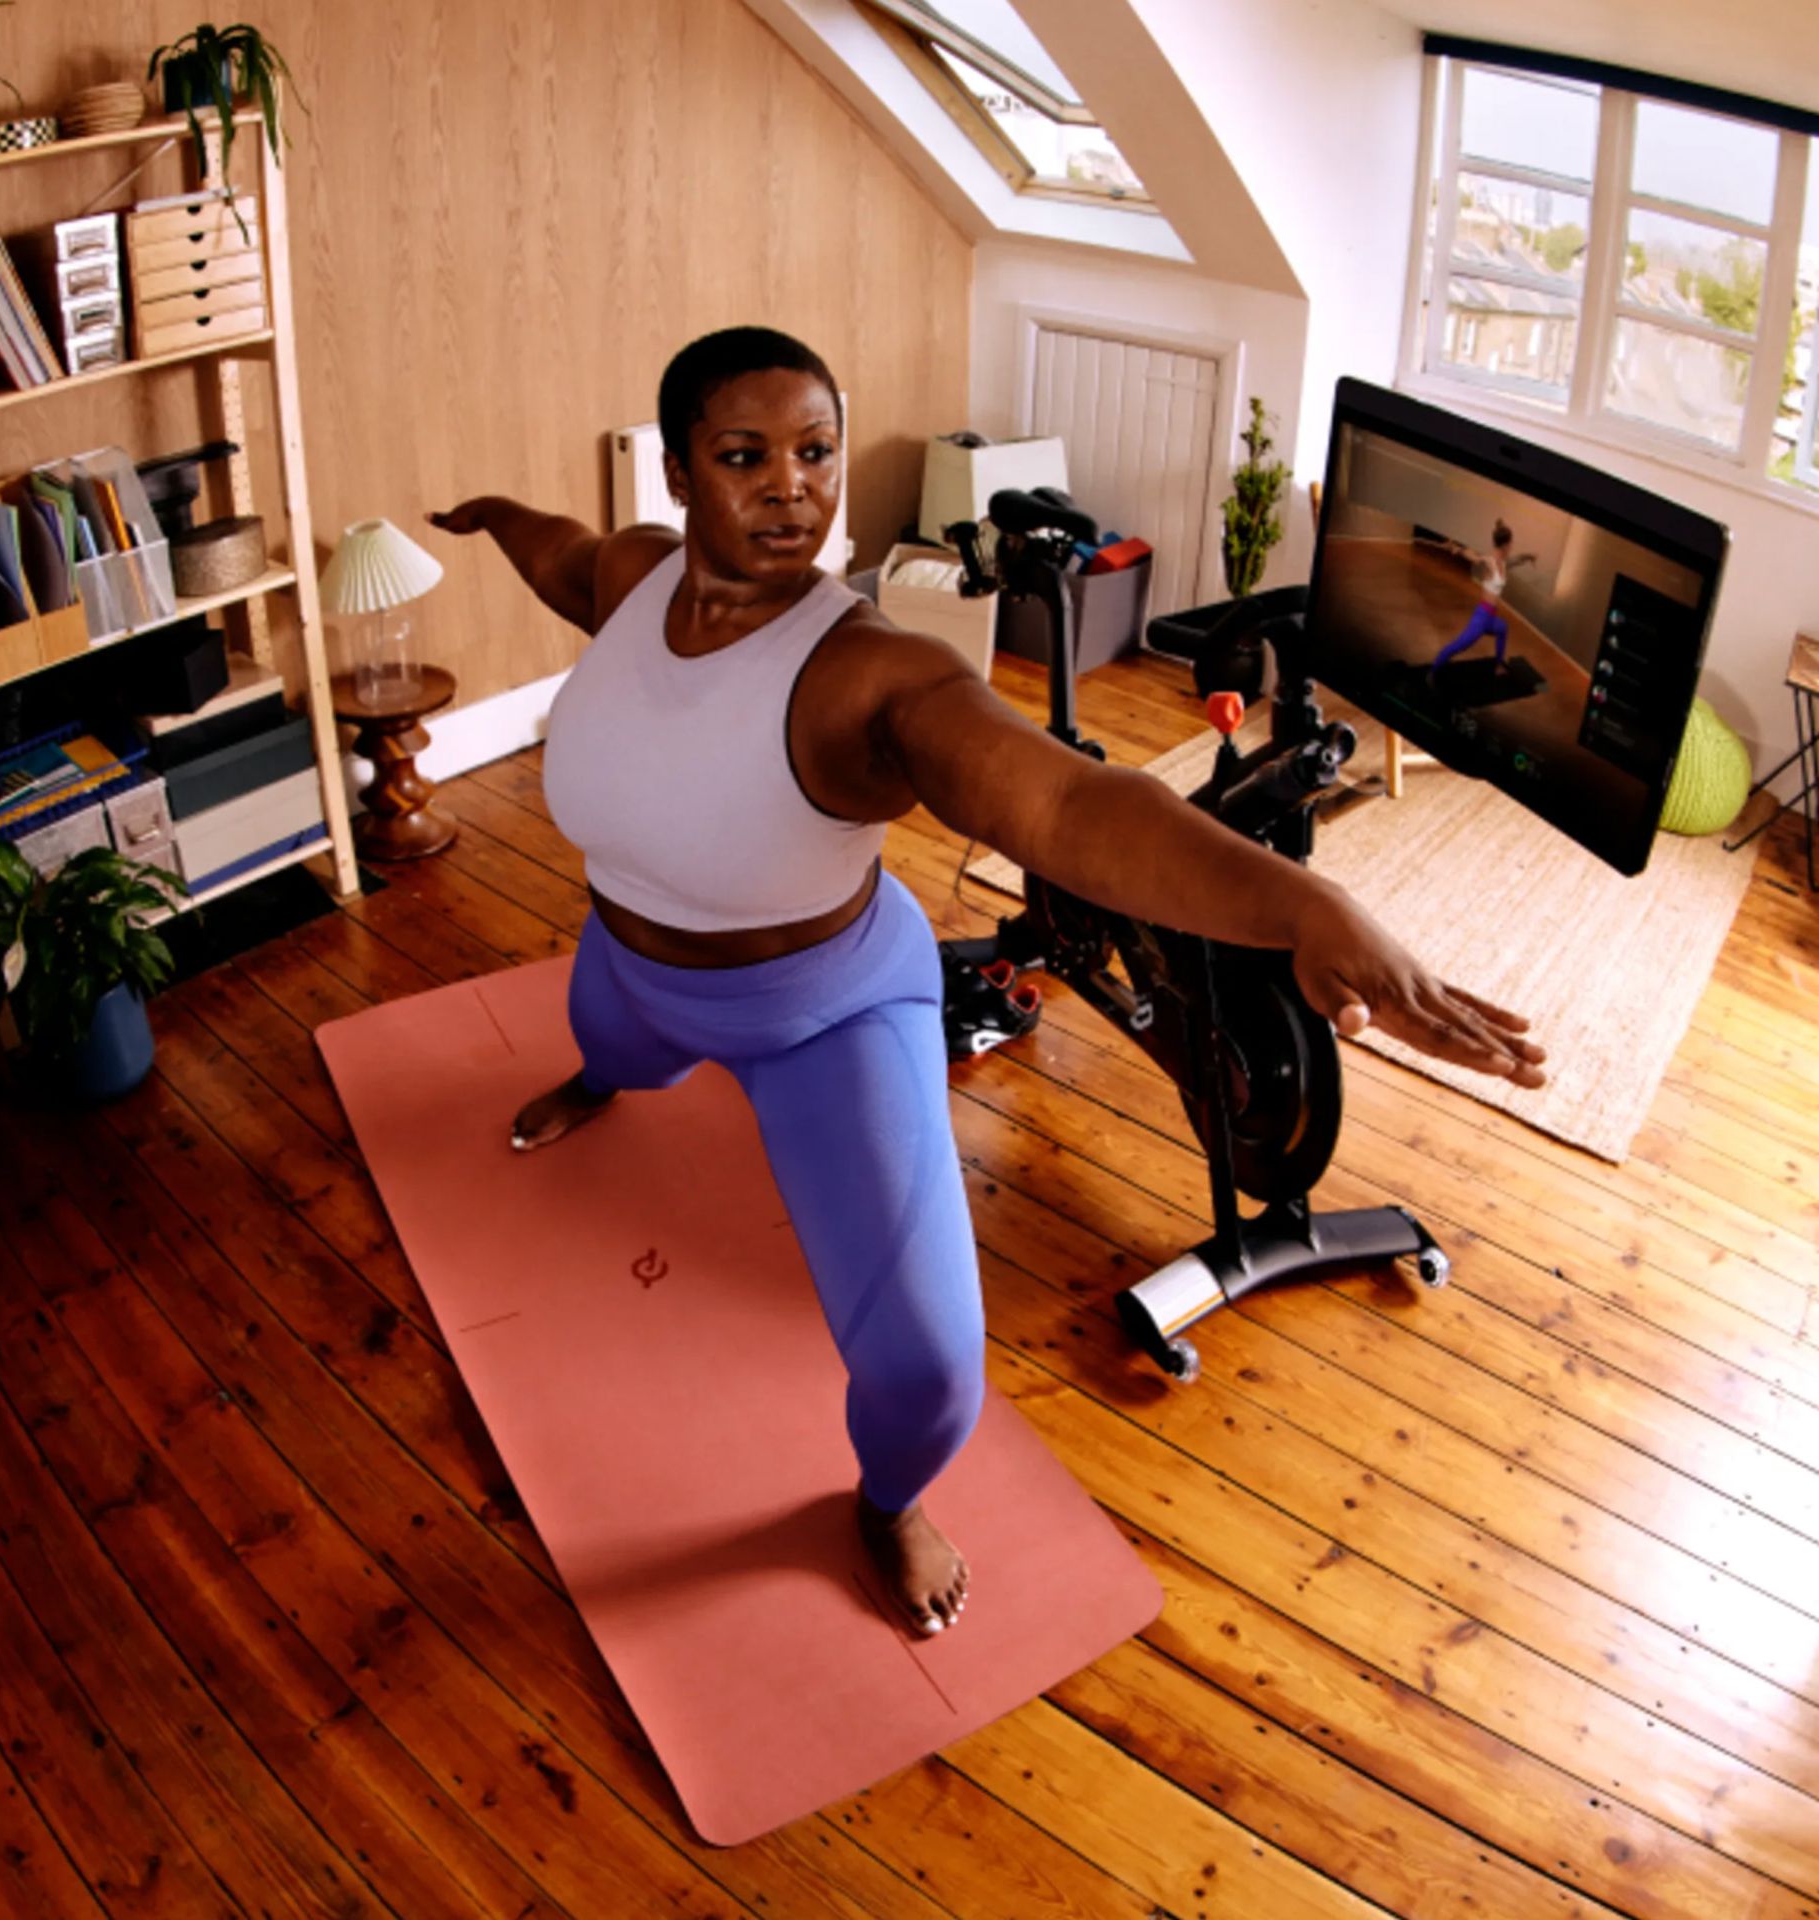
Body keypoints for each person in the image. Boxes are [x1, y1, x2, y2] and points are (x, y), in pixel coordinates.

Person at [431, 326, 1546, 1638]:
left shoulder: (874, 675)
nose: (793, 485)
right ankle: (612, 1071)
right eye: (747, 457)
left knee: (928, 1370)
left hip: (823, 1019)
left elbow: (1077, 809)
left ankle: (887, 1502)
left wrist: (1306, 902)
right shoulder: (635, 579)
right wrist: (490, 510)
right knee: (607, 1041)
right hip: (628, 967)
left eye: (817, 452)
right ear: (679, 472)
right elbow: (558, 545)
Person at [1431, 517, 1537, 677]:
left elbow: (1517, 559)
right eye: (1511, 543)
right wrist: (1456, 548)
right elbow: (1472, 556)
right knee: (1459, 645)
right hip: (1481, 618)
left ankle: (1498, 666)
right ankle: (1432, 672)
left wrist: (1529, 557)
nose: (1512, 546)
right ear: (1505, 545)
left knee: (1503, 629)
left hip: (1491, 618)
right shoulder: (1490, 561)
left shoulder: (1503, 562)